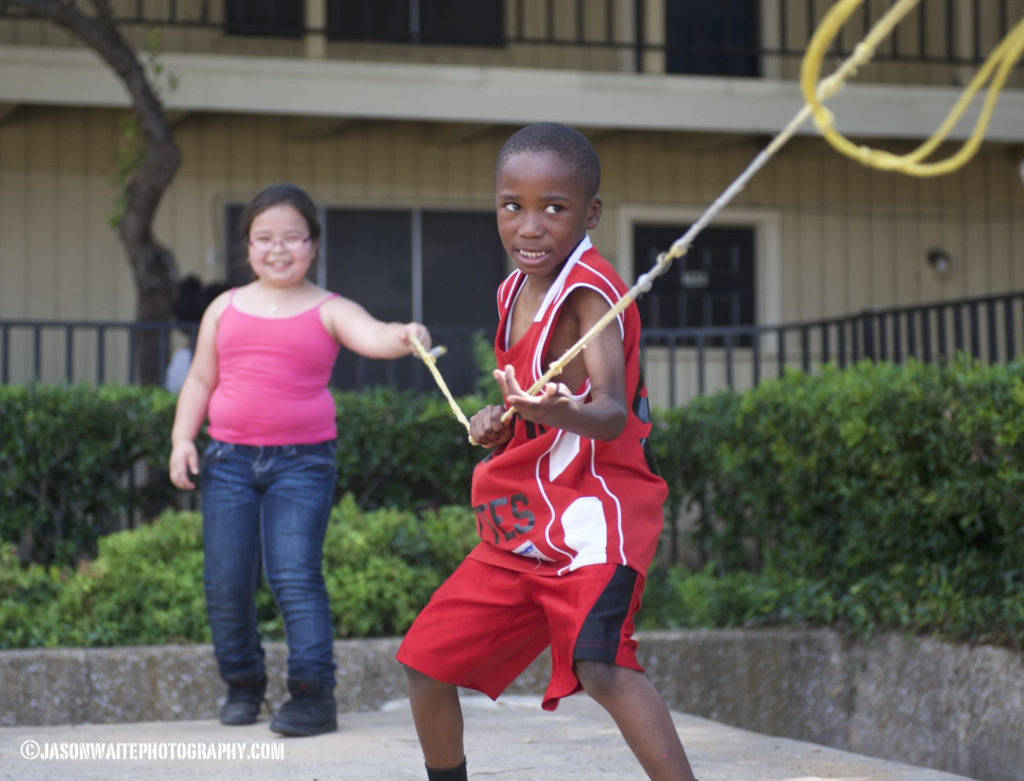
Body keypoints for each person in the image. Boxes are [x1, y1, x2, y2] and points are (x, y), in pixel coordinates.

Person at [396, 123, 698, 780]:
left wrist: (561, 411)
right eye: (513, 206)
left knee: (603, 666)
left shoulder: (593, 291)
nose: (529, 226)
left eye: (553, 208)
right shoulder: (510, 293)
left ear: (589, 213)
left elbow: (612, 409)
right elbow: (525, 405)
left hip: (595, 515)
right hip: (524, 520)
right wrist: (498, 422)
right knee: (425, 665)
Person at [168, 182, 431, 737]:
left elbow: (375, 335)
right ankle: (243, 684)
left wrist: (405, 334)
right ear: (248, 247)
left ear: (313, 244)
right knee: (225, 580)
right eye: (264, 238)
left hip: (302, 465)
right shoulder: (224, 307)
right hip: (228, 461)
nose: (278, 248)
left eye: (293, 237)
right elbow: (200, 377)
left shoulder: (329, 308)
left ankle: (313, 699)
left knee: (294, 575)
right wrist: (182, 439)